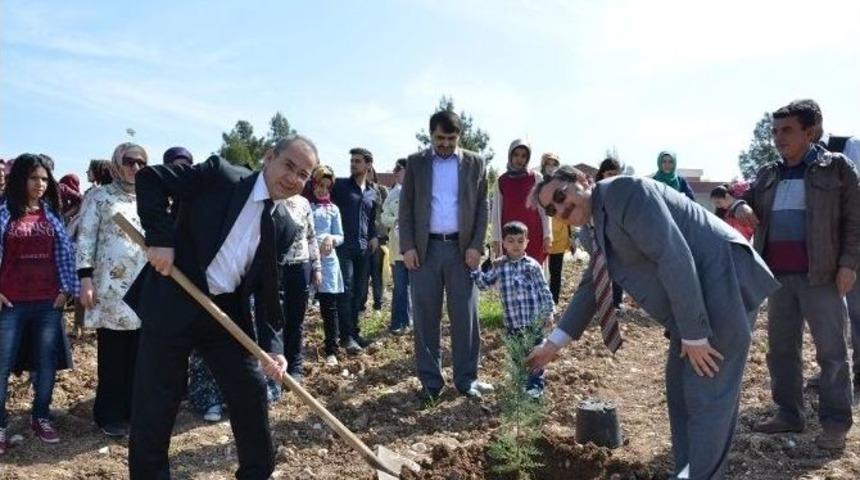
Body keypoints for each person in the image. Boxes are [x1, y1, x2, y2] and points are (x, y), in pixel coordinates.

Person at [526, 166, 779, 479]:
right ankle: (688, 472)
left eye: (561, 196)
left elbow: (672, 254)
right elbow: (594, 282)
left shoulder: (624, 193)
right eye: (551, 209)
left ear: (581, 180)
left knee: (707, 396)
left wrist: (696, 335)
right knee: (680, 389)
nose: (561, 208)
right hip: (695, 299)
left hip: (721, 284)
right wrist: (554, 344)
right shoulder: (591, 227)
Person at [124, 135, 318, 479]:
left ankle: (256, 473)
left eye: (303, 175)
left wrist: (273, 350)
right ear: (269, 157)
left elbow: (270, 292)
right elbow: (150, 179)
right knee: (158, 402)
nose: (293, 178)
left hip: (223, 314)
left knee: (251, 390)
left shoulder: (283, 225)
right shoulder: (222, 176)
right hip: (175, 298)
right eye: (289, 165)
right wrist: (161, 239)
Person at [732, 101, 859, 450]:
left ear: (811, 131)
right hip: (777, 276)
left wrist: (849, 263)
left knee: (831, 353)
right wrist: (739, 205)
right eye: (774, 131)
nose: (777, 138)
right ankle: (789, 413)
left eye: (786, 130)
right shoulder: (769, 173)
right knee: (781, 351)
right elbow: (742, 201)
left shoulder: (837, 169)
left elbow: (855, 220)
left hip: (823, 275)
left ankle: (835, 423)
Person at [399, 110, 493, 402]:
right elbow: (407, 207)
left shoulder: (475, 163)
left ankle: (466, 379)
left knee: (465, 316)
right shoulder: (416, 164)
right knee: (426, 316)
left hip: (461, 250)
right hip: (424, 251)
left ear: (459, 137)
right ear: (431, 135)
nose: (445, 144)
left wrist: (477, 245)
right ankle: (430, 382)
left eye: (451, 139)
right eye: (440, 138)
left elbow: (482, 208)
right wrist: (408, 246)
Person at [0, 154, 79, 454]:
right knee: (2, 365)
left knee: (46, 363)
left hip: (48, 301)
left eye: (45, 179)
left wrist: (66, 288)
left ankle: (41, 417)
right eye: (34, 178)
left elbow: (66, 253)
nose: (40, 184)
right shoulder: (4, 213)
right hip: (11, 303)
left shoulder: (51, 213)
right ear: (20, 178)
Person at [77, 143, 149, 438]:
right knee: (114, 354)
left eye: (142, 163)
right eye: (130, 162)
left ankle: (134, 410)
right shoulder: (100, 197)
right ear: (117, 164)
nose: (135, 168)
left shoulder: (150, 197)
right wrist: (85, 279)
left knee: (140, 353)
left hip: (144, 286)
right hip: (110, 289)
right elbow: (85, 238)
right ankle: (109, 414)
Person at [799, 99, 860, 395]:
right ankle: (836, 374)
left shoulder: (850, 148)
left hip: (852, 244)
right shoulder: (803, 160)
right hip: (826, 250)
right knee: (834, 318)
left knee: (857, 311)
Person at [472, 221, 554, 397]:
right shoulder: (500, 266)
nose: (516, 245)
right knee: (517, 357)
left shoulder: (532, 265)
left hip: (534, 322)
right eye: (511, 241)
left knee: (535, 357)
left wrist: (548, 312)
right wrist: (475, 269)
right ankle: (520, 387)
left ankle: (535, 389)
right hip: (513, 324)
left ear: (527, 242)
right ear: (504, 244)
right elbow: (485, 284)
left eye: (520, 241)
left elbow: (543, 290)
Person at [331, 148, 379, 354]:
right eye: (352, 161)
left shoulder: (373, 192)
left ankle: (355, 333)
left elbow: (371, 219)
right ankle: (346, 337)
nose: (353, 164)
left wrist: (374, 236)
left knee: (360, 293)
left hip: (364, 248)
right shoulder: (340, 186)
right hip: (344, 247)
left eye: (357, 161)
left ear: (368, 165)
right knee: (346, 291)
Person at [277, 189, 321, 383]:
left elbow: (311, 236)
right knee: (275, 318)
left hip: (301, 266)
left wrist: (317, 267)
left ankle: (295, 365)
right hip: (276, 267)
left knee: (296, 319)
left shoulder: (304, 203)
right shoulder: (273, 200)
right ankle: (276, 365)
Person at [490, 139, 550, 265]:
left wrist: (547, 235)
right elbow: (496, 212)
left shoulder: (536, 178)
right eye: (516, 155)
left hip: (533, 235)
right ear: (510, 155)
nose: (519, 159)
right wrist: (496, 238)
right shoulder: (502, 181)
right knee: (511, 274)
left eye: (524, 156)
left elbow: (544, 209)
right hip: (510, 236)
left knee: (533, 271)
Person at [309, 166, 345, 366]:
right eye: (319, 185)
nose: (323, 190)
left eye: (327, 187)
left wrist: (331, 238)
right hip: (305, 257)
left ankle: (331, 347)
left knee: (329, 306)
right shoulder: (305, 205)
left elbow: (340, 235)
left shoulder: (333, 209)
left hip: (328, 260)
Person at [381, 158, 411, 334]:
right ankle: (398, 323)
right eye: (394, 169)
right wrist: (396, 220)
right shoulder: (392, 195)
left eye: (398, 169)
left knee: (415, 288)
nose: (395, 172)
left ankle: (413, 322)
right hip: (398, 249)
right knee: (400, 287)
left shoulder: (420, 193)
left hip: (416, 250)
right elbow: (384, 217)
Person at [541, 153, 572, 304]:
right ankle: (541, 300)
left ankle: (554, 302)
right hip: (542, 233)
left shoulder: (564, 185)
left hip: (560, 234)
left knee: (556, 272)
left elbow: (570, 209)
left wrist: (572, 236)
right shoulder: (538, 182)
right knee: (541, 270)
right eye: (549, 163)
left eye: (555, 164)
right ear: (543, 165)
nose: (551, 167)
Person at [595, 157, 626, 308]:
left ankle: (617, 301)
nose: (612, 177)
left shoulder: (622, 192)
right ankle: (601, 301)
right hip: (601, 235)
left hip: (619, 236)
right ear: (602, 174)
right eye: (609, 173)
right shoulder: (596, 192)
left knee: (618, 268)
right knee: (601, 269)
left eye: (615, 174)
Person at [365, 166, 388, 311]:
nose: (367, 174)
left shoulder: (381, 190)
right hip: (362, 237)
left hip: (379, 236)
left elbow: (386, 211)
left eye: (369, 171)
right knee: (362, 274)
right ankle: (360, 304)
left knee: (377, 272)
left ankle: (378, 304)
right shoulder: (357, 190)